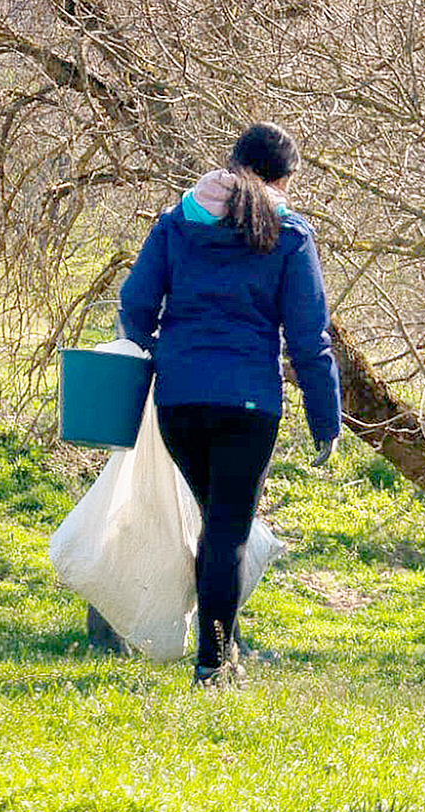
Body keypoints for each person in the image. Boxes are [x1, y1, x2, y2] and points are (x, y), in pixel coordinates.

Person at [118, 122, 342, 686]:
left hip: (179, 401)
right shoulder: (288, 233)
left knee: (217, 524)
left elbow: (136, 304)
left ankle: (224, 646)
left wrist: (138, 353)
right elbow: (310, 337)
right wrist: (326, 418)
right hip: (248, 403)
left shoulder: (175, 223)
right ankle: (214, 665)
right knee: (226, 532)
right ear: (282, 178)